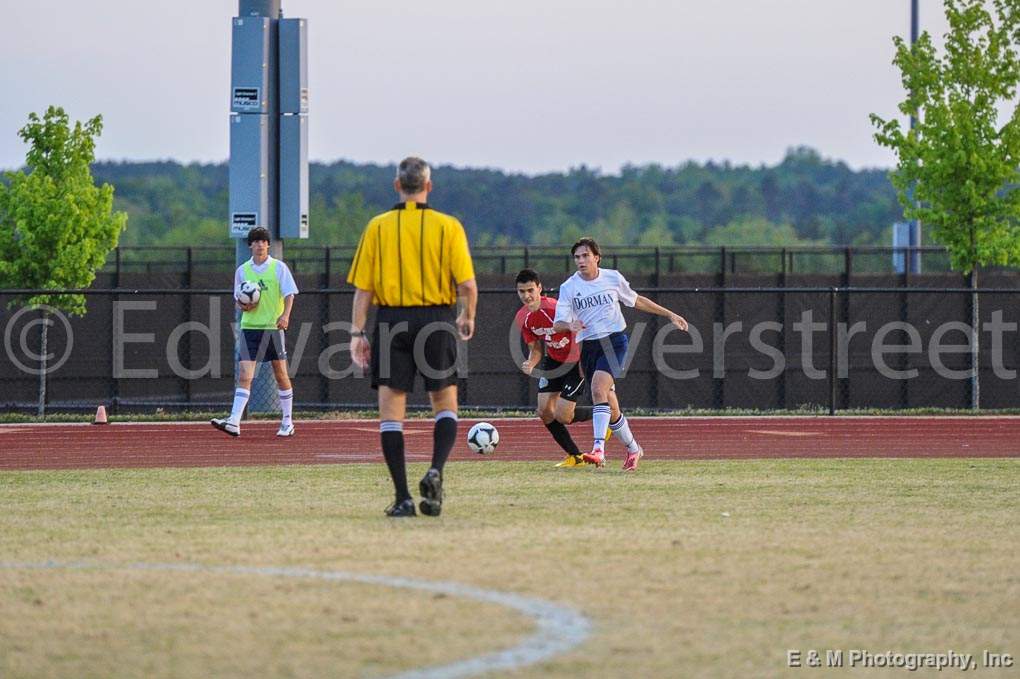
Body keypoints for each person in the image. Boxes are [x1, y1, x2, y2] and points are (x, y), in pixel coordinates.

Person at [347, 157, 477, 517]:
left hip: (392, 320)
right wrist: (468, 315)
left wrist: (357, 333)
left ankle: (403, 497)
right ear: (428, 186)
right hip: (437, 317)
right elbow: (467, 285)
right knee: (445, 404)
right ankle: (436, 470)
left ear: (396, 185)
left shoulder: (378, 227)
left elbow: (363, 290)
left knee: (391, 412)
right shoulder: (447, 227)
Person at [553, 237, 688, 471]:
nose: (581, 260)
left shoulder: (612, 277)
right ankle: (634, 449)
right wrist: (569, 325)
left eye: (586, 255)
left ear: (597, 257)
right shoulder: (569, 287)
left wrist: (669, 314)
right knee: (611, 406)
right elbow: (558, 324)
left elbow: (636, 300)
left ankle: (598, 450)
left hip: (615, 341)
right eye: (577, 257)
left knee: (597, 389)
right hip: (589, 347)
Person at [514, 268, 608, 467]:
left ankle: (605, 414)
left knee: (563, 416)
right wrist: (531, 363)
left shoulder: (555, 309)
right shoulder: (524, 317)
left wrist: (585, 363)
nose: (526, 296)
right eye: (521, 291)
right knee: (544, 411)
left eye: (530, 290)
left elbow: (581, 330)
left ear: (540, 288)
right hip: (553, 361)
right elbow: (536, 348)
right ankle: (575, 456)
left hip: (575, 363)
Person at [211, 226, 299, 438]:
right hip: (250, 328)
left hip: (273, 329)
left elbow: (290, 294)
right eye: (256, 241)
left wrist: (285, 316)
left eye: (263, 241)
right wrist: (245, 306)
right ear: (250, 245)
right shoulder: (242, 270)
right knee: (245, 375)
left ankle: (287, 421)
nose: (260, 244)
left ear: (268, 245)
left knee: (280, 374)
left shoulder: (278, 268)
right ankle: (234, 421)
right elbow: (239, 299)